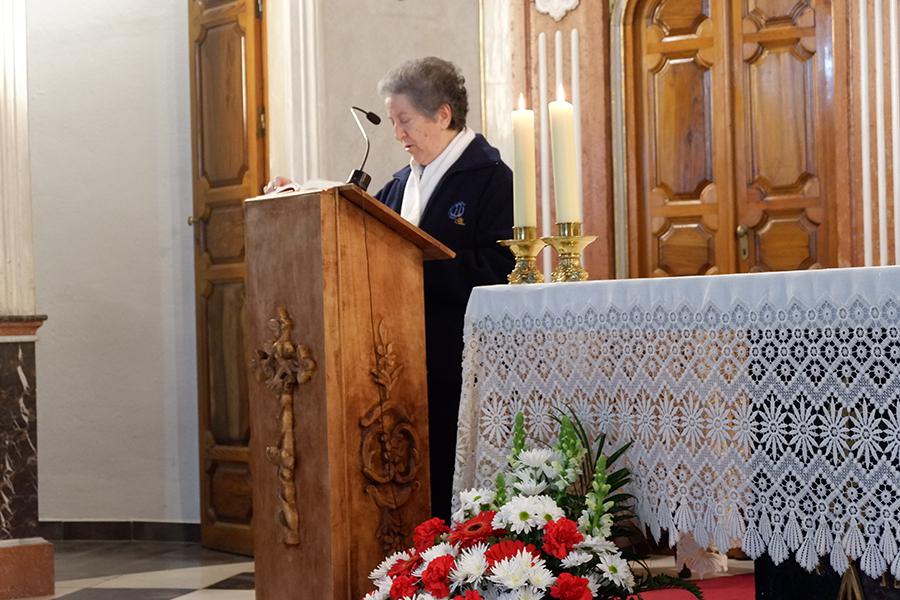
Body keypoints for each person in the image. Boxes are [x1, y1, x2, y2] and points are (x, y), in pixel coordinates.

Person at [374, 57, 513, 520]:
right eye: (393, 121)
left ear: (443, 115)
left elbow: (498, 265)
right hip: (397, 359)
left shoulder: (491, 177)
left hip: (458, 356)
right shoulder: (397, 186)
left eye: (405, 120)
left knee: (450, 480)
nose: (398, 133)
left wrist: (414, 269)